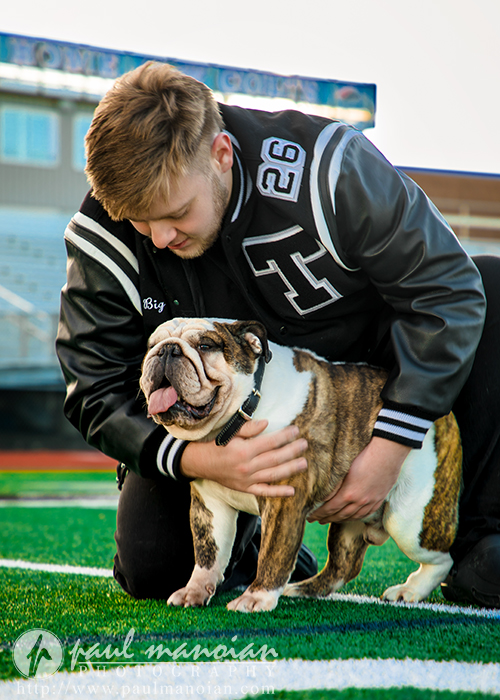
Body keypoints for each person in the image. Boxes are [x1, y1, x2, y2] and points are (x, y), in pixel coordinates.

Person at [56, 61, 500, 608]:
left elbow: (446, 290)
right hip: (205, 417)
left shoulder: (328, 167)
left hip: (358, 363)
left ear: (221, 154)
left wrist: (388, 446)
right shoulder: (104, 228)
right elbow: (93, 386)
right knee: (154, 567)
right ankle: (264, 543)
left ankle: (484, 537)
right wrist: (206, 462)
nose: (161, 236)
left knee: (491, 286)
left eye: (175, 213)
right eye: (141, 224)